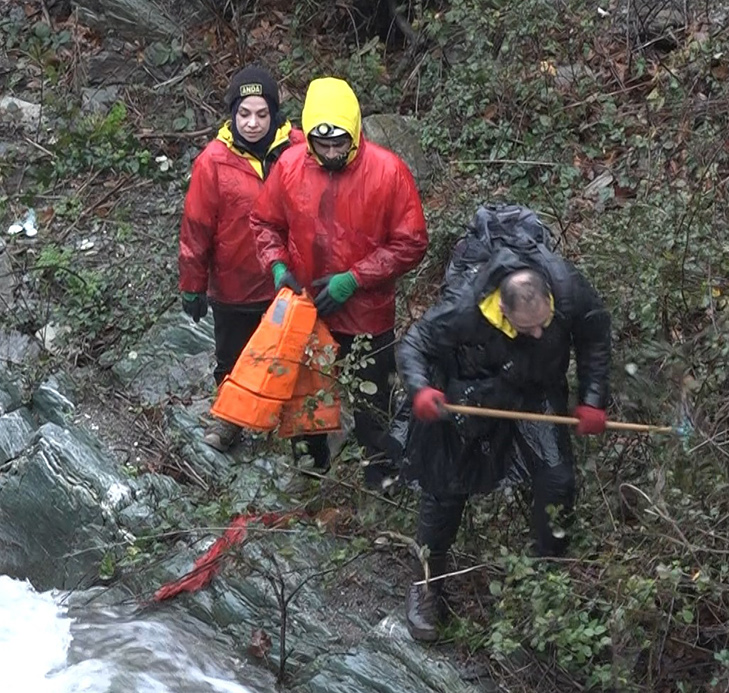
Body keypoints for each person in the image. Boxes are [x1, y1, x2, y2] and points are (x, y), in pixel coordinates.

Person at [394, 230, 612, 642]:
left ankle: (546, 583)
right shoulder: (465, 307)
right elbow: (414, 345)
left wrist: (593, 397)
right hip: (470, 390)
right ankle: (427, 584)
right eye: (526, 327)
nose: (537, 333)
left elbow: (595, 334)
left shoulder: (567, 288)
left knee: (558, 480)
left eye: (544, 324)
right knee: (445, 487)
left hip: (535, 391)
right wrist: (421, 389)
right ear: (503, 310)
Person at [250, 76, 428, 488]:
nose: (331, 153)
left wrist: (355, 278)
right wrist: (277, 267)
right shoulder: (291, 167)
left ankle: (379, 473)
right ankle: (311, 468)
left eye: (339, 144)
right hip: (307, 306)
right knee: (305, 394)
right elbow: (264, 222)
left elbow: (412, 242)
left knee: (373, 402)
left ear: (355, 132)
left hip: (368, 313)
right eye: (322, 144)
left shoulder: (388, 172)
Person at [178, 65, 303, 452]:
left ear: (275, 114)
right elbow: (196, 228)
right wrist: (192, 286)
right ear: (232, 114)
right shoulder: (213, 162)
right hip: (233, 283)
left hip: (288, 279)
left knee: (289, 354)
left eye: (261, 114)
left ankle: (291, 427)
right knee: (232, 357)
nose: (252, 123)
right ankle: (230, 419)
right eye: (244, 113)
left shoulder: (299, 149)